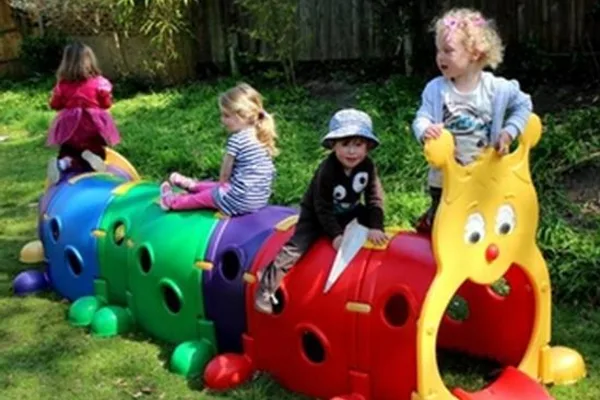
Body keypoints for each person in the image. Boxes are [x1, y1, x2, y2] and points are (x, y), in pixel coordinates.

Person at [254, 108, 388, 314]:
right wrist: (336, 235)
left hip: (349, 210)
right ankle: (266, 285)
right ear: (333, 145)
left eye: (358, 145)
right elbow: (322, 207)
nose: (352, 152)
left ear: (368, 146)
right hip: (316, 215)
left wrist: (376, 226)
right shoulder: (327, 170)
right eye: (345, 144)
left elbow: (374, 198)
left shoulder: (368, 166)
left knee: (370, 221)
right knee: (297, 247)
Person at [412, 8, 532, 233]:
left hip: (484, 177)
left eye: (448, 50)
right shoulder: (436, 90)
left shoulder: (497, 88)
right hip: (445, 181)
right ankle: (429, 225)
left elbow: (524, 105)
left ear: (474, 53)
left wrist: (509, 132)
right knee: (444, 230)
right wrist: (425, 129)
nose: (440, 57)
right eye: (438, 50)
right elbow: (422, 117)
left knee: (477, 227)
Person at [160, 83, 278, 216]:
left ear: (244, 115)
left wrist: (222, 187)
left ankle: (172, 202)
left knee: (207, 196)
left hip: (238, 202)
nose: (222, 120)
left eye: (226, 116)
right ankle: (192, 185)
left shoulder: (237, 140)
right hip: (258, 200)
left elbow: (225, 172)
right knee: (217, 187)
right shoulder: (261, 135)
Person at [46, 42, 121, 184]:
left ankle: (63, 163)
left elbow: (55, 105)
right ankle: (94, 157)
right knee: (96, 148)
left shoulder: (62, 85)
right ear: (90, 61)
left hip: (70, 127)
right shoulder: (99, 82)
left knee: (69, 149)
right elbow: (106, 104)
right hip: (93, 125)